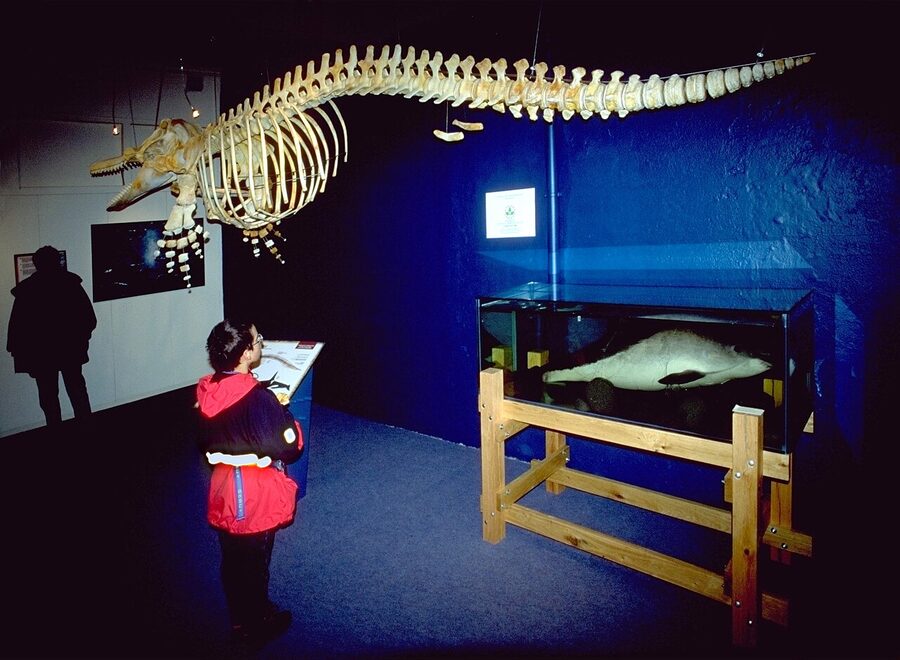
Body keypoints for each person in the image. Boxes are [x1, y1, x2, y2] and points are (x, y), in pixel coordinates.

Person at [196, 319, 303, 648]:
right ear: (244, 354)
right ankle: (256, 623)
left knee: (232, 558)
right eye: (257, 341)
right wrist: (284, 416)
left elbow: (208, 442)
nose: (260, 344)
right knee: (256, 561)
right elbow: (289, 446)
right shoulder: (260, 400)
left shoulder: (207, 391)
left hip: (225, 488)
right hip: (255, 496)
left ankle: (240, 617)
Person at [6, 245, 97, 427]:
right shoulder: (71, 284)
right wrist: (80, 339)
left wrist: (20, 351)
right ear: (58, 261)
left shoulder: (27, 291)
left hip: (41, 354)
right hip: (70, 349)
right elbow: (89, 319)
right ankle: (86, 429)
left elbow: (17, 328)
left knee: (48, 395)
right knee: (77, 389)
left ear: (36, 264)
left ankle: (55, 434)